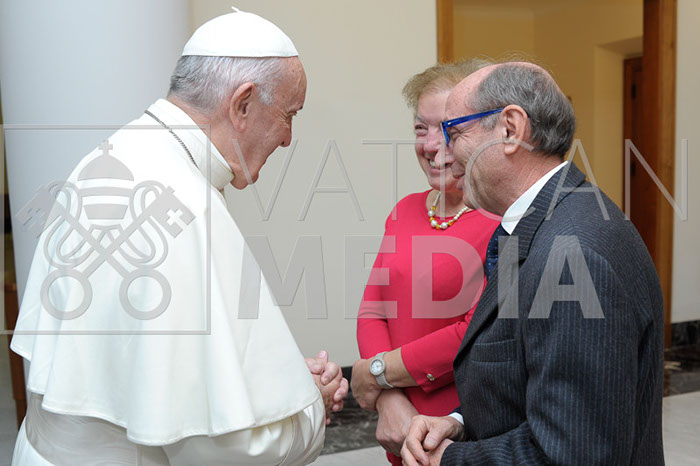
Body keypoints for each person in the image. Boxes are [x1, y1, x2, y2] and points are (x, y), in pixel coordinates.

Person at [11, 9, 347, 465]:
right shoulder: (185, 207)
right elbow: (222, 448)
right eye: (289, 115)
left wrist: (278, 383)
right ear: (242, 104)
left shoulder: (116, 153)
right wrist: (309, 408)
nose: (288, 138)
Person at [401, 61, 664, 465]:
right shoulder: (538, 222)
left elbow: (572, 452)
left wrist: (451, 460)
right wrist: (458, 422)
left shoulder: (574, 253)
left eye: (454, 133)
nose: (442, 153)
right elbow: (526, 385)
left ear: (510, 130)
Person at [350, 60, 500, 466]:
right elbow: (373, 310)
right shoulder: (405, 210)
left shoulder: (502, 220)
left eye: (448, 129)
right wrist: (390, 401)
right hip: (397, 423)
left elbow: (471, 332)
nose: (432, 146)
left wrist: (377, 374)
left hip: (459, 427)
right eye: (421, 128)